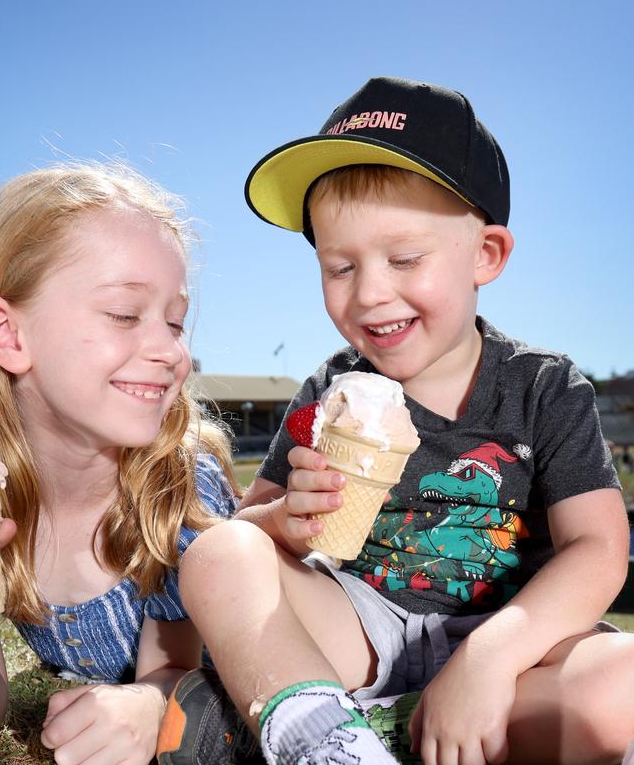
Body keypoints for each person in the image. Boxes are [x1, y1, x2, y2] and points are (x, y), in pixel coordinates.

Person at [162, 78, 634, 765]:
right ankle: (327, 740)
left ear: (487, 256)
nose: (371, 292)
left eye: (404, 258)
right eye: (339, 266)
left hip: (517, 643)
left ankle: (360, 731)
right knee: (216, 556)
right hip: (359, 629)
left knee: (622, 683)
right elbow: (249, 531)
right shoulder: (332, 388)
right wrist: (283, 519)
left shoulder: (544, 386)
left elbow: (597, 547)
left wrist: (487, 661)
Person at [0, 163, 240, 765]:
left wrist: (152, 703)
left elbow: (177, 667)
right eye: (126, 314)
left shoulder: (179, 491)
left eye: (175, 321)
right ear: (8, 335)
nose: (173, 351)